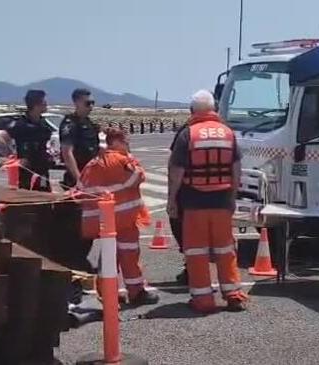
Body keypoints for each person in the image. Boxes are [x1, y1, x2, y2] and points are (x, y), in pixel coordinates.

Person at [167, 90, 248, 313]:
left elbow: (176, 171)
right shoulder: (228, 133)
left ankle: (203, 299)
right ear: (214, 110)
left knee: (196, 251)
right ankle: (233, 294)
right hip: (222, 200)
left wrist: (172, 200)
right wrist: (232, 196)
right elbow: (236, 169)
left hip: (194, 201)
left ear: (192, 111)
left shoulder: (187, 134)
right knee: (225, 250)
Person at [79, 127, 159, 305]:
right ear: (114, 141)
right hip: (122, 220)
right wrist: (129, 156)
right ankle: (136, 292)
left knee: (108, 257)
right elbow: (138, 176)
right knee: (129, 254)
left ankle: (107, 293)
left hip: (100, 221)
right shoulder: (121, 161)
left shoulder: (93, 163)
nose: (127, 144)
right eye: (124, 141)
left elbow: (80, 189)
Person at [0, 89, 54, 191]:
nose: (46, 104)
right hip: (26, 172)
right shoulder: (21, 124)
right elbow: (0, 140)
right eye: (44, 102)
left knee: (44, 200)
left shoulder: (43, 124)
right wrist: (12, 158)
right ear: (36, 105)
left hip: (42, 170)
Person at [59, 88, 101, 190]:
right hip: (77, 179)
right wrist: (79, 180)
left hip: (92, 176)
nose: (91, 107)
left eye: (92, 103)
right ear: (77, 103)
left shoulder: (89, 123)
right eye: (87, 103)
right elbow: (67, 153)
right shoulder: (70, 124)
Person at [169, 122, 189, 284]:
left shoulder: (187, 132)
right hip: (220, 194)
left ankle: (192, 270)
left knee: (182, 227)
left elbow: (175, 165)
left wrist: (172, 197)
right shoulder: (225, 130)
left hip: (190, 191)